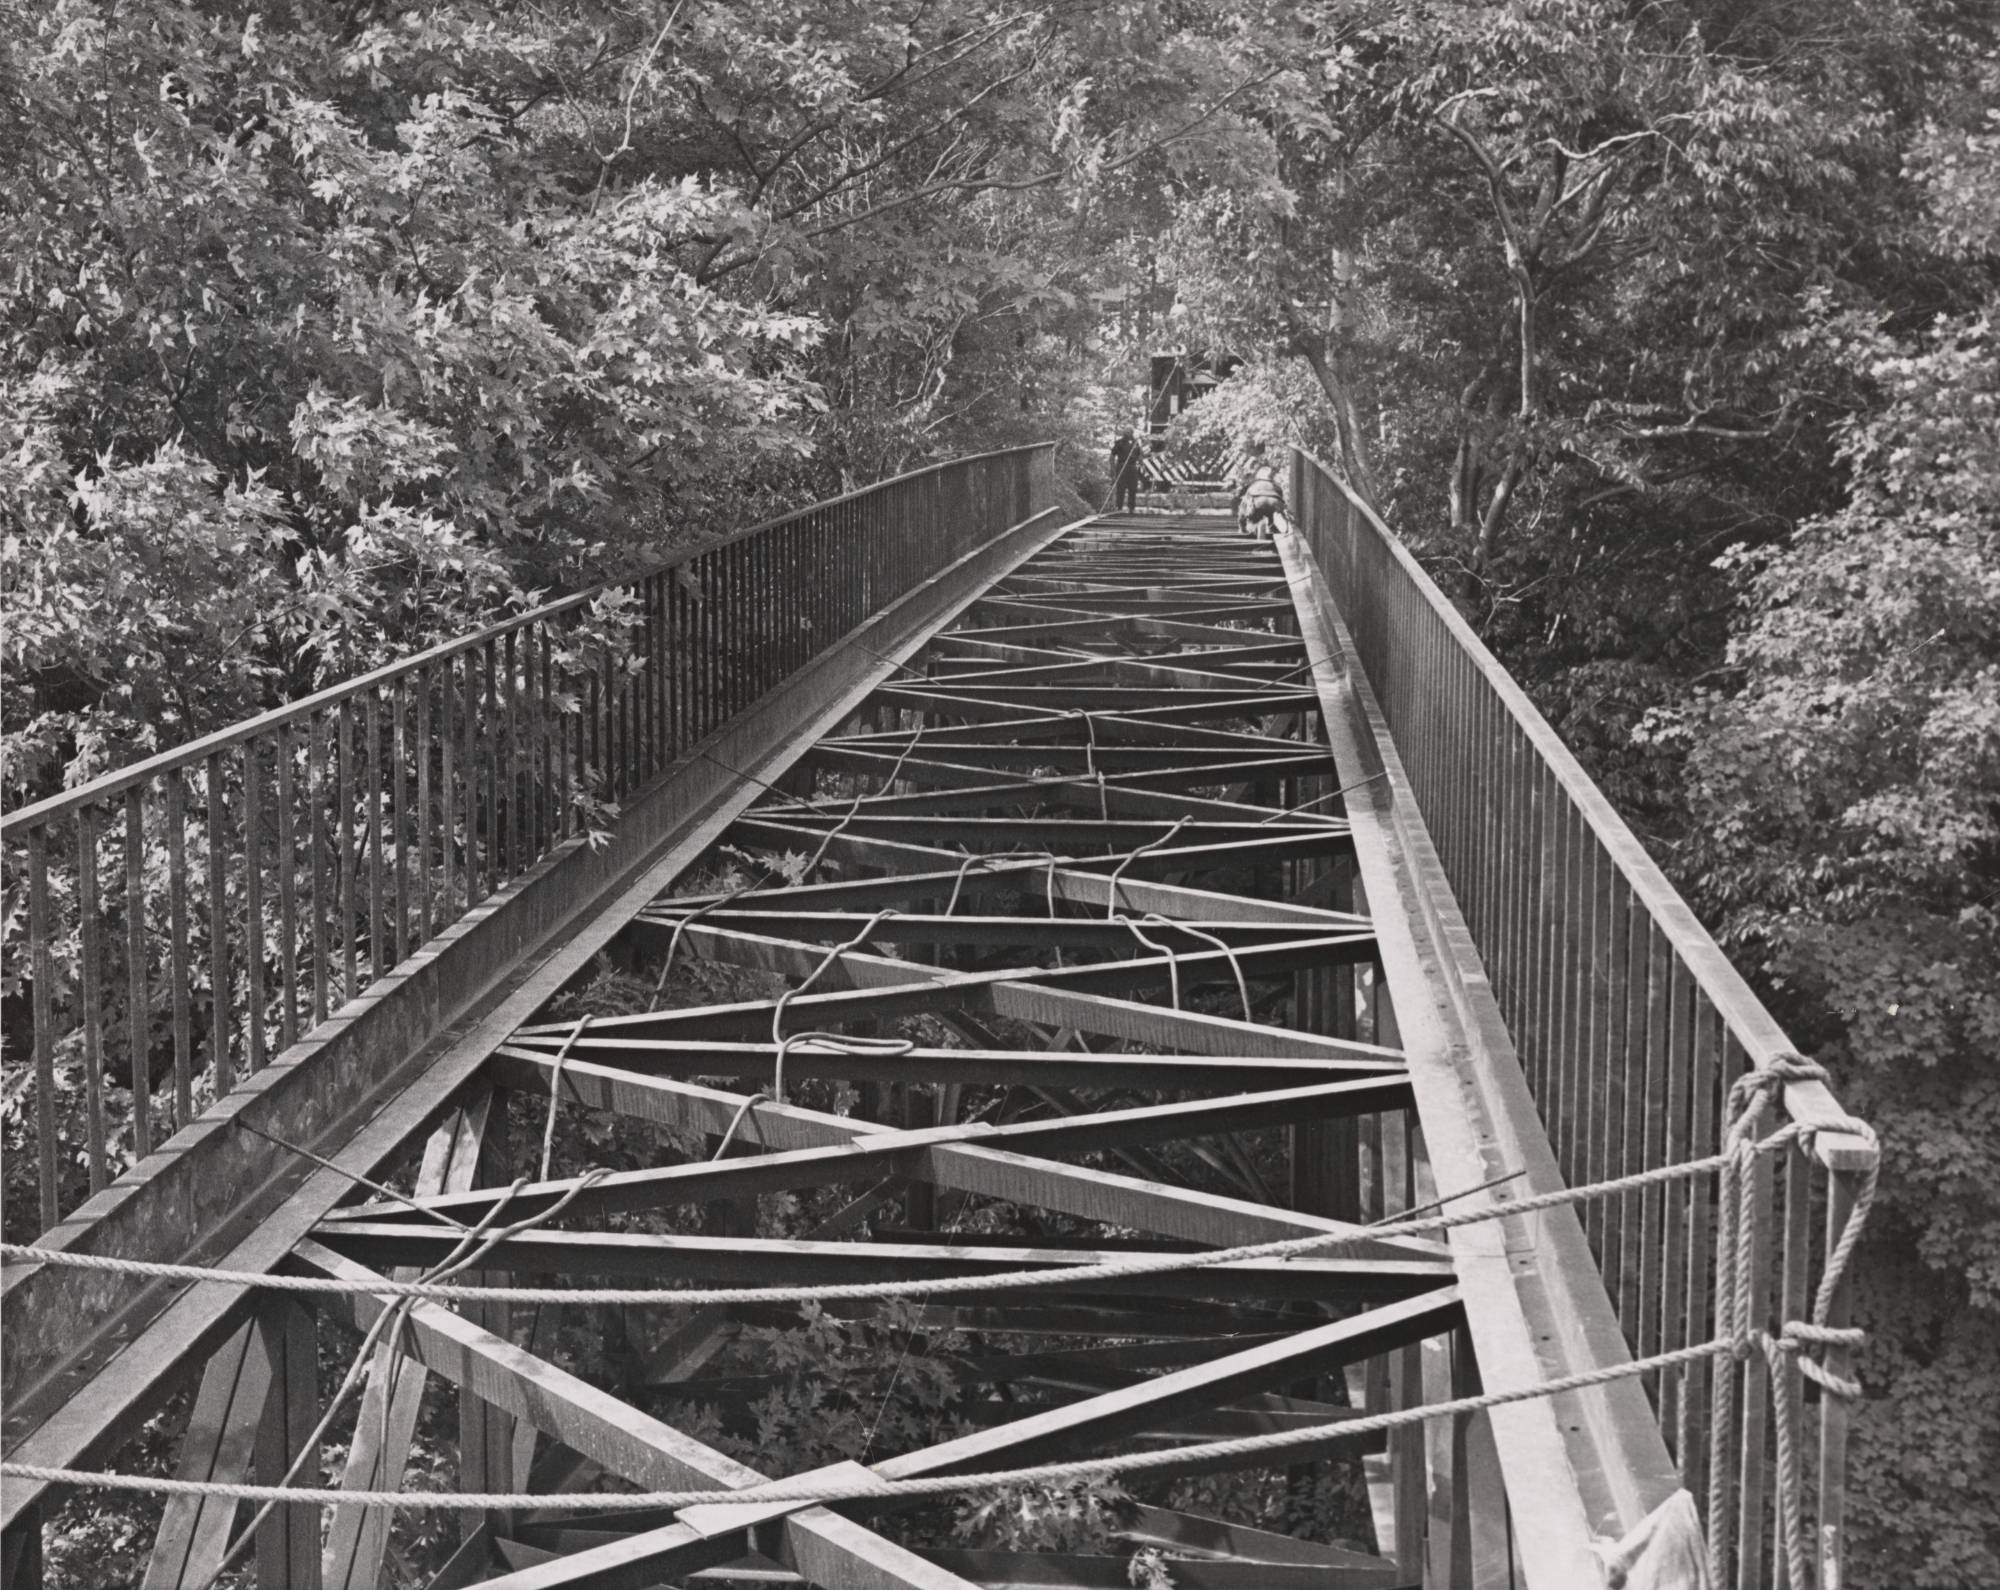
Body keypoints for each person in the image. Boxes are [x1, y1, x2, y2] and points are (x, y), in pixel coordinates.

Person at [1235, 453, 1289, 537]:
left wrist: (1242, 527)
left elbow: (1243, 508)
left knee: (1253, 517)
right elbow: (1281, 497)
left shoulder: (1253, 486)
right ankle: (1276, 528)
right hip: (1274, 502)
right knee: (1274, 515)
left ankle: (1255, 528)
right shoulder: (1274, 484)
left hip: (1258, 502)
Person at [1108, 429, 1141, 514]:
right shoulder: (1119, 443)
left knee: (1133, 487)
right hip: (1121, 466)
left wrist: (1141, 464)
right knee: (1121, 487)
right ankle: (1119, 507)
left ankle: (1131, 508)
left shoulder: (1135, 443)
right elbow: (1112, 456)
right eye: (1127, 432)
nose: (1129, 434)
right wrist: (1112, 468)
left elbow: (1140, 456)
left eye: (1130, 433)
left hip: (1132, 467)